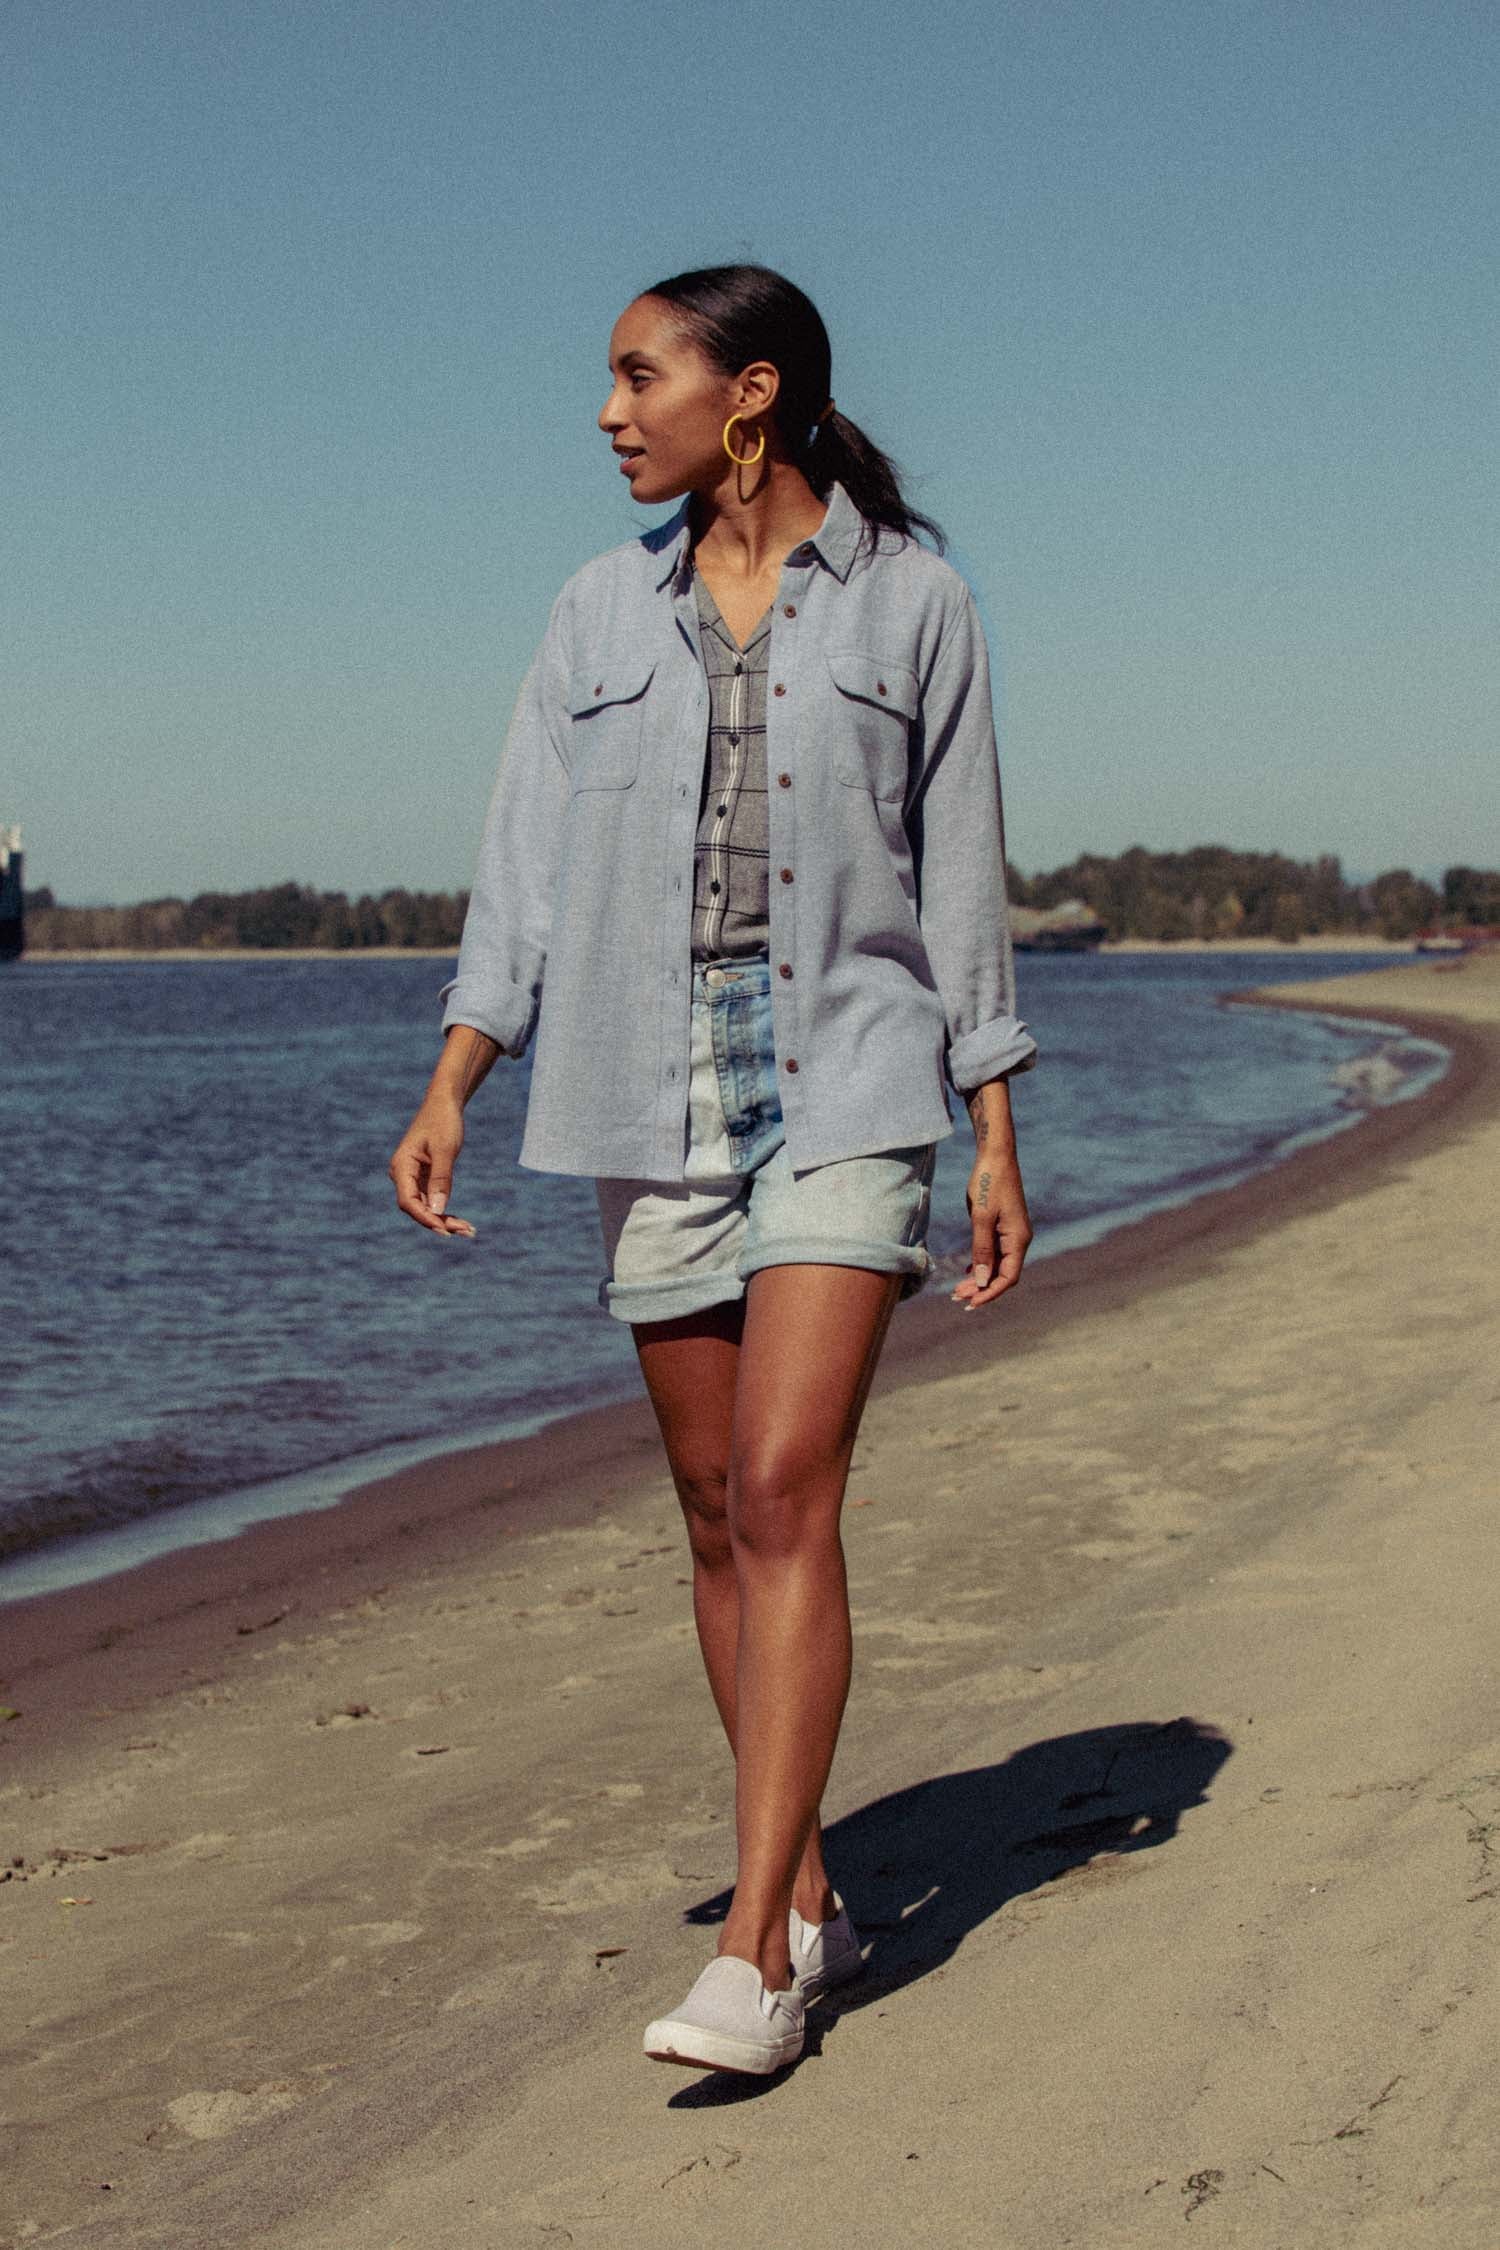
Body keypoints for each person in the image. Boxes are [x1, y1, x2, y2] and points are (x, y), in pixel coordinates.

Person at [389, 263, 1038, 2077]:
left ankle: (757, 1955)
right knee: (704, 1513)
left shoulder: (914, 603)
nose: (607, 412)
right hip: (639, 1084)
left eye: (634, 377)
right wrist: (454, 1076)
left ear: (746, 396)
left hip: (849, 1075)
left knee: (780, 1489)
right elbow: (518, 874)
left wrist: (990, 1119)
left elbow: (962, 878)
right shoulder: (596, 613)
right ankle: (810, 1881)